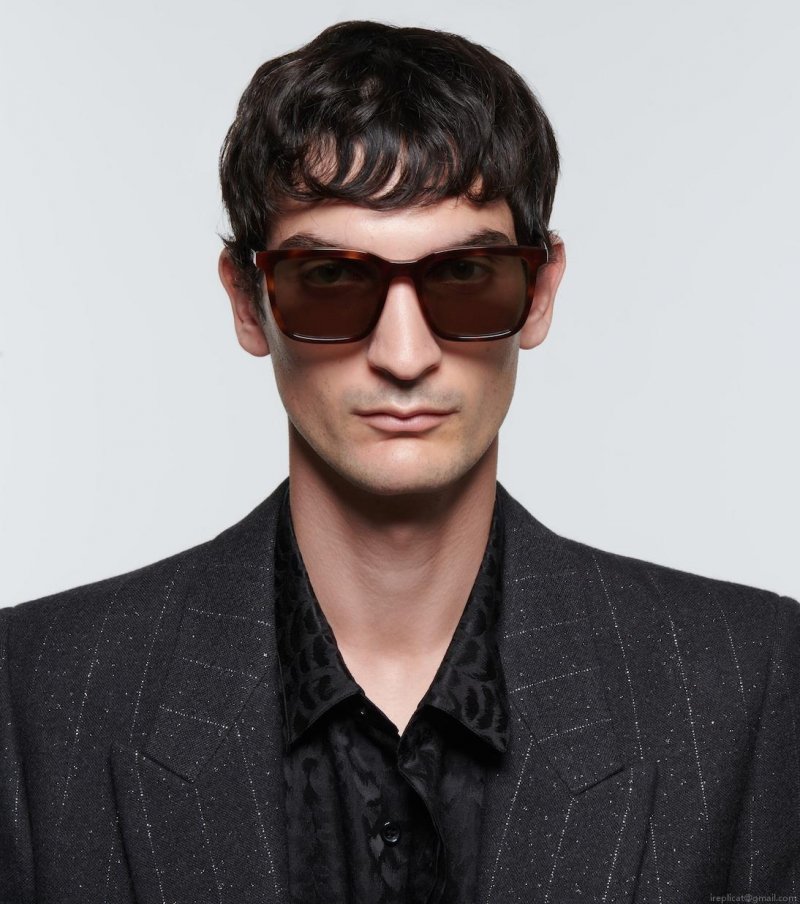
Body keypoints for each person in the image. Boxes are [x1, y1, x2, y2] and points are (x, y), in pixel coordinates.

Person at [1, 19, 797, 904]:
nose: (405, 355)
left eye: (466, 276)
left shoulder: (749, 681)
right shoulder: (37, 694)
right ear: (247, 300)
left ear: (539, 293)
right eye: (331, 280)